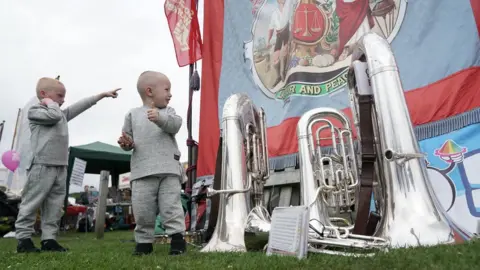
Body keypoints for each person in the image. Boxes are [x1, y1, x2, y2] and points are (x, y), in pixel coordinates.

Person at [15, 77, 121, 253]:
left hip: (60, 166)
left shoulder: (59, 114)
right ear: (44, 95)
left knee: (55, 206)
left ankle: (49, 239)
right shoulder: (36, 112)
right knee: (31, 202)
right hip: (42, 165)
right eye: (59, 95)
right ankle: (23, 239)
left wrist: (100, 96)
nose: (63, 100)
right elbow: (54, 115)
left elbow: (79, 107)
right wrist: (49, 103)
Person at [118, 71, 186, 256]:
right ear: (149, 91)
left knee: (171, 207)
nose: (170, 94)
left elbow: (176, 125)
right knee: (143, 210)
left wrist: (160, 118)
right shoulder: (132, 114)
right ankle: (143, 244)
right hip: (142, 172)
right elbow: (128, 139)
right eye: (166, 89)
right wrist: (126, 144)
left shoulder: (168, 112)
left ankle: (178, 241)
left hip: (168, 171)